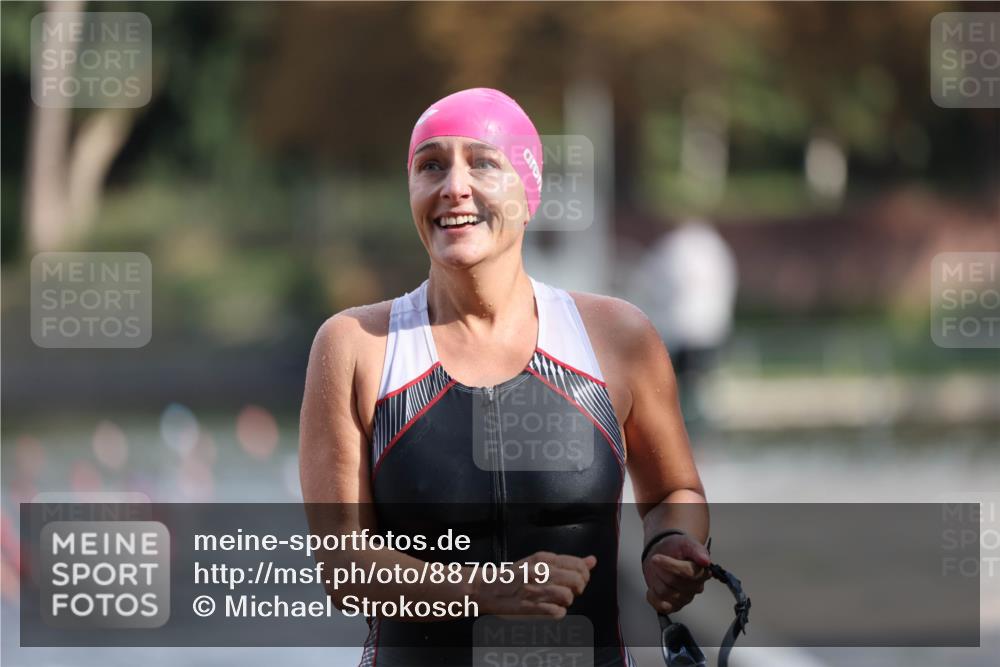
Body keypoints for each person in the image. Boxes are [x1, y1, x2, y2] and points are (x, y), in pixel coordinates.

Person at [299, 88, 711, 667]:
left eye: (483, 163)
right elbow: (343, 567)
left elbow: (674, 493)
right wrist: (490, 591)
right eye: (431, 165)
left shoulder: (617, 337)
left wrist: (670, 547)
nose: (454, 186)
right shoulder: (356, 348)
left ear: (529, 191)